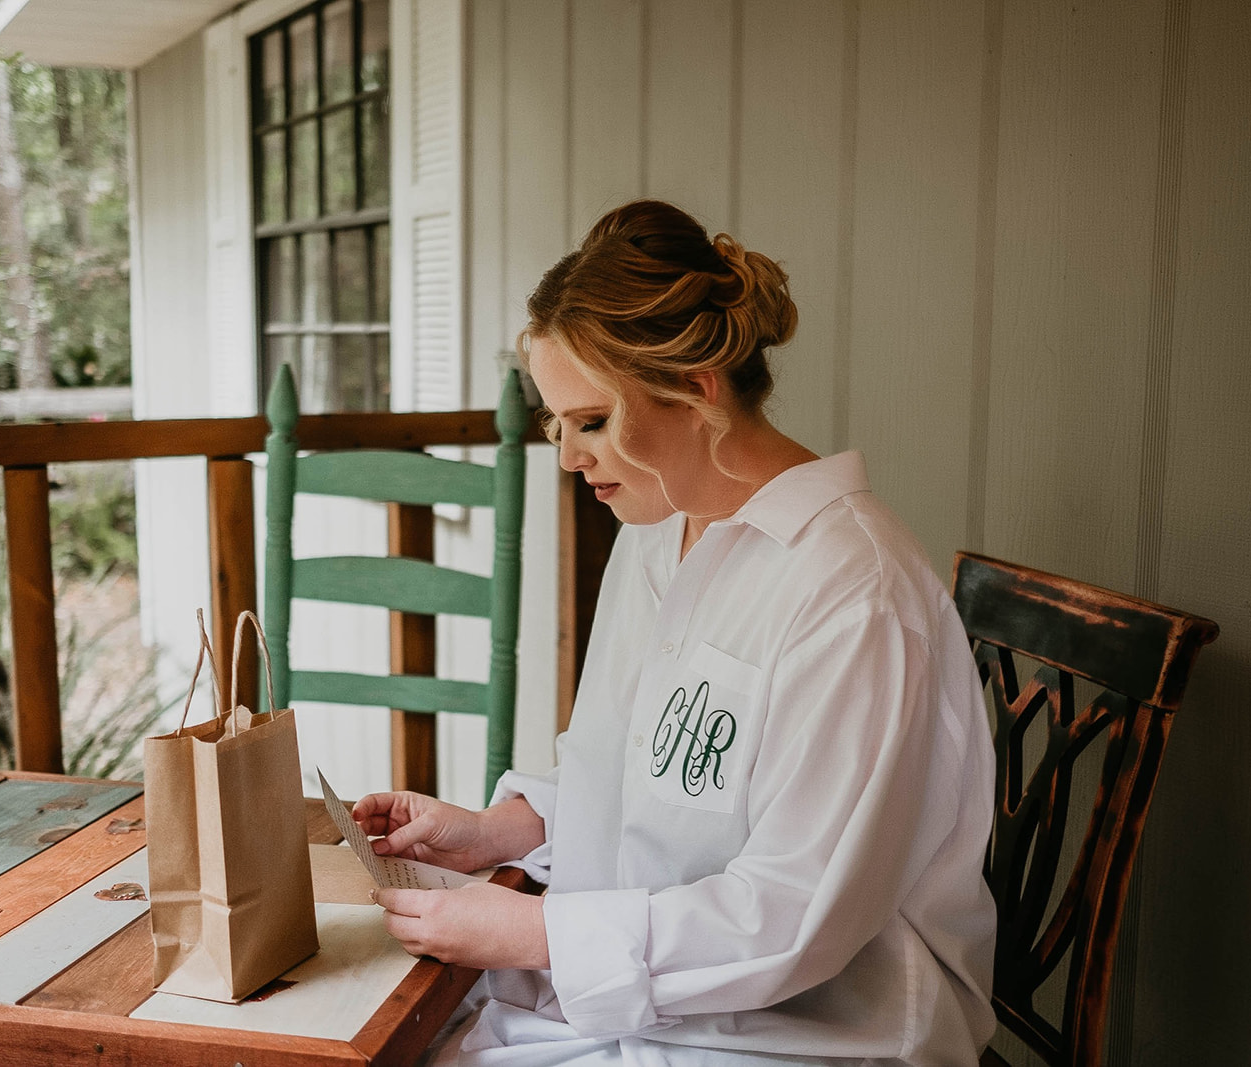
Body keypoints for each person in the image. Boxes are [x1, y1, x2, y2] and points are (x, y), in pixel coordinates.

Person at [352, 199, 997, 1066]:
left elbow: (794, 914)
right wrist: (502, 827)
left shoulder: (853, 592)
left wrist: (535, 930)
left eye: (592, 421)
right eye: (556, 424)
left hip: (814, 1030)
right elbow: (641, 771)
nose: (570, 458)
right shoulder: (659, 531)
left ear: (698, 388)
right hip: (647, 1000)